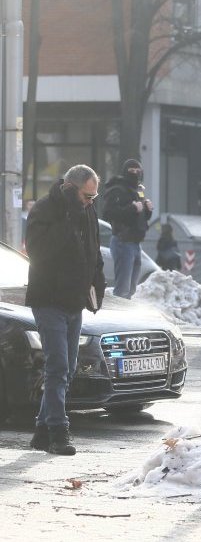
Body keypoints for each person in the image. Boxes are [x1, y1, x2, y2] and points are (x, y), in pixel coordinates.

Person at [24, 165, 106, 456]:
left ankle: (42, 431)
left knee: (67, 369)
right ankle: (59, 431)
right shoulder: (46, 209)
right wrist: (68, 218)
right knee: (57, 367)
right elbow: (38, 252)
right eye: (86, 196)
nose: (90, 201)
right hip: (48, 300)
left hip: (75, 302)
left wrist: (97, 282)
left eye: (93, 197)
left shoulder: (87, 210)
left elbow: (93, 251)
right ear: (70, 188)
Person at [102, 159, 153, 298]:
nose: (135, 173)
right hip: (123, 241)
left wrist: (147, 211)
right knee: (122, 289)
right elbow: (107, 213)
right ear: (125, 172)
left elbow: (138, 218)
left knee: (131, 290)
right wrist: (132, 208)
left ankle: (125, 317)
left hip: (135, 243)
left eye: (138, 171)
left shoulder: (137, 190)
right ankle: (118, 318)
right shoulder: (117, 189)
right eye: (131, 171)